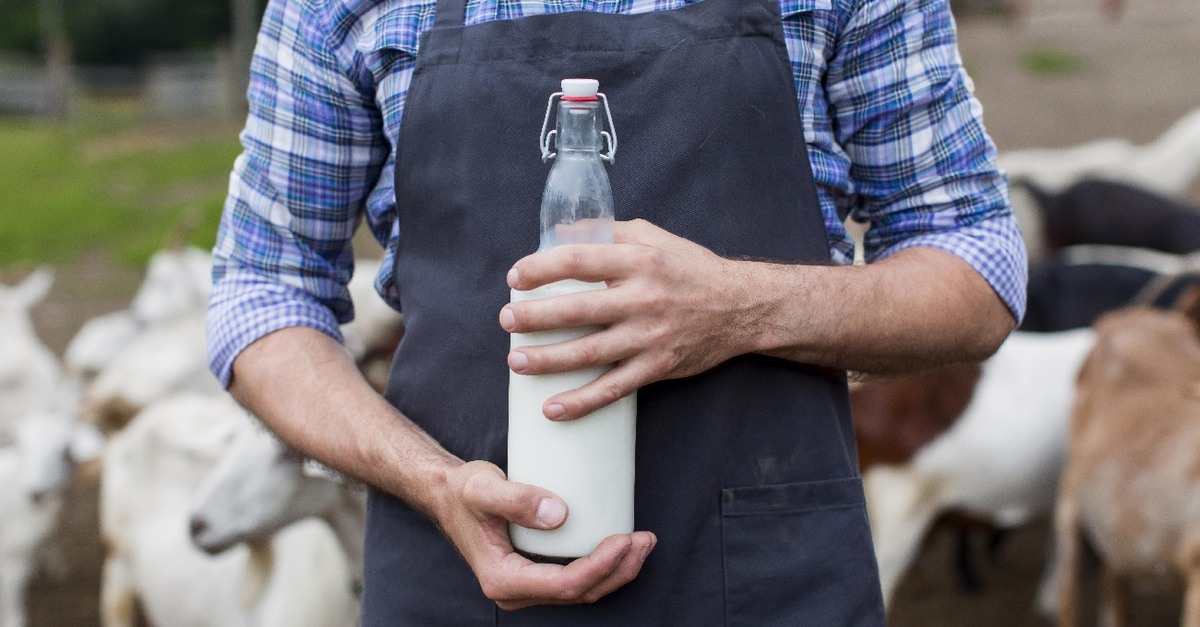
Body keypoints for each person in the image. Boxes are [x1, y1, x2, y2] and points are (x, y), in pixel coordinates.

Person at [206, 0, 1026, 624]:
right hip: (452, 584)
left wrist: (742, 308)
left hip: (765, 579)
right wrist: (435, 483)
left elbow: (976, 264)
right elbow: (260, 288)